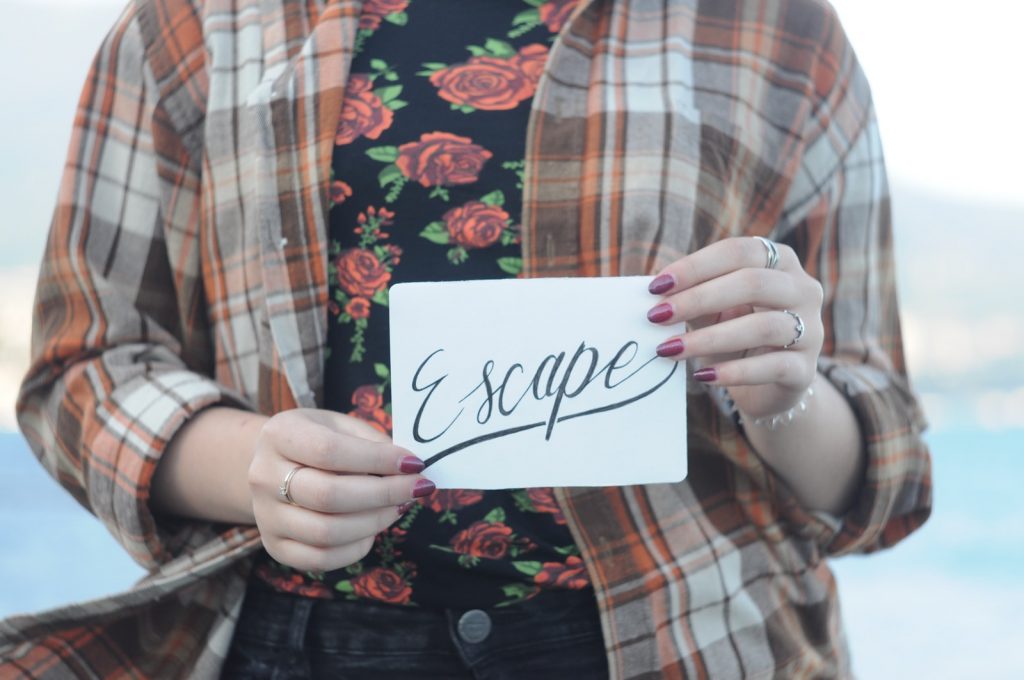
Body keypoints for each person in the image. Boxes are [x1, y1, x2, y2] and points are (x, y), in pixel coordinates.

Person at [2, 0, 932, 677]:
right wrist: (257, 466)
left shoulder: (776, 29)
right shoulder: (194, 24)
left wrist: (785, 395)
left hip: (694, 637)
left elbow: (887, 463)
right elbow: (80, 369)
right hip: (301, 639)